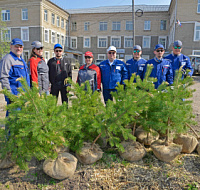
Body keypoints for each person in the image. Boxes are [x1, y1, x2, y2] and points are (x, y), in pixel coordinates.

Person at [0, 38, 30, 126]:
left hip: (24, 96)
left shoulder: (21, 60)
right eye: (16, 46)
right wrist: (10, 95)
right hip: (14, 97)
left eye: (20, 47)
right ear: (11, 47)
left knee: (21, 121)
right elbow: (4, 78)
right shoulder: (7, 59)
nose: (19, 49)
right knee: (12, 121)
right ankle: (9, 139)